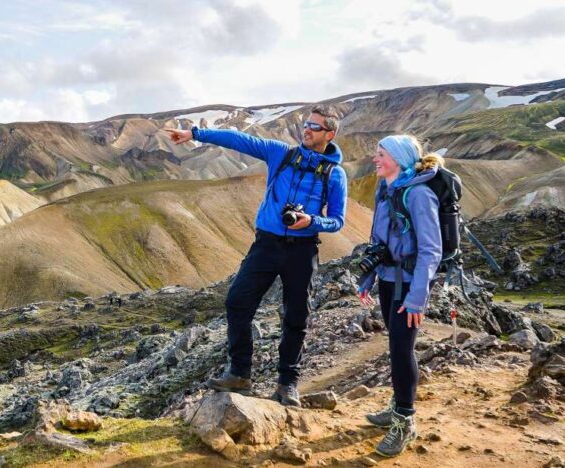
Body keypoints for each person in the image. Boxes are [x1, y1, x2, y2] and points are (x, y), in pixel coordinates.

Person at [164, 106, 347, 406]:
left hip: (302, 250)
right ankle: (239, 373)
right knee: (237, 301)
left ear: (330, 133)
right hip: (266, 245)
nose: (307, 130)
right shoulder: (282, 154)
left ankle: (288, 383)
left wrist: (312, 222)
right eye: (306, 124)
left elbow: (338, 219)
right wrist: (194, 134)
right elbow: (239, 140)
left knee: (296, 316)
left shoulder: (335, 174)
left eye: (314, 127)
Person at [356, 135, 443, 457]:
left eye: (380, 154)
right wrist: (368, 277)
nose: (374, 159)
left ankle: (405, 421)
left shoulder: (418, 195)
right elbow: (377, 241)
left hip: (409, 284)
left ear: (398, 157)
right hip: (388, 279)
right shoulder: (386, 191)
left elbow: (431, 251)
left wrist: (417, 297)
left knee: (401, 349)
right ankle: (396, 408)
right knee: (395, 343)